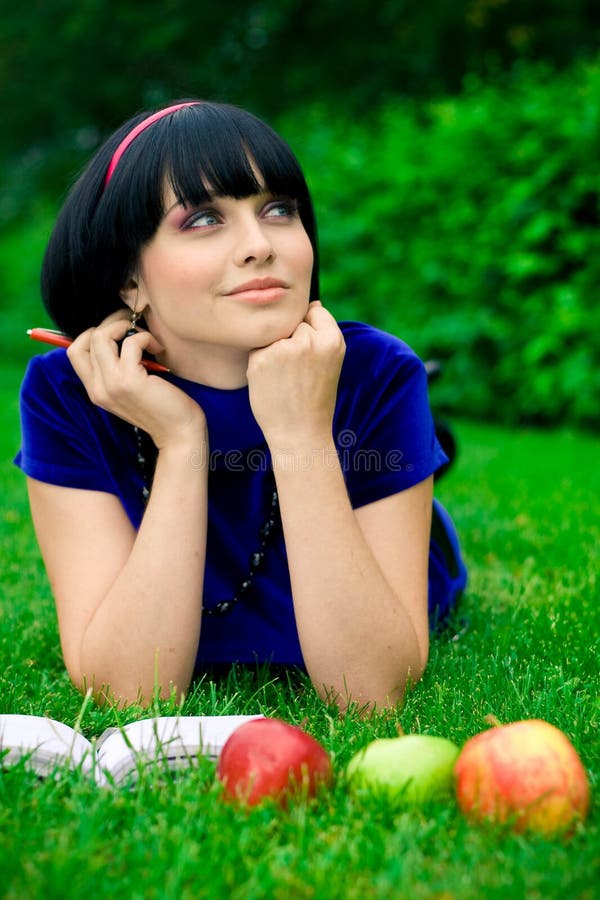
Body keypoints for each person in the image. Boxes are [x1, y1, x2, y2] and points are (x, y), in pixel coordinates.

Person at [15, 100, 467, 711]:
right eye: (202, 219)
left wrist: (304, 433)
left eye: (278, 211)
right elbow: (128, 692)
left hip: (366, 506)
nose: (259, 245)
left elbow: (370, 692)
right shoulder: (69, 391)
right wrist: (180, 442)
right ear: (129, 280)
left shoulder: (376, 374)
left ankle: (419, 461)